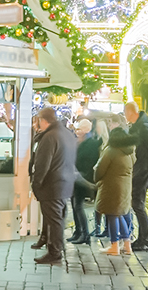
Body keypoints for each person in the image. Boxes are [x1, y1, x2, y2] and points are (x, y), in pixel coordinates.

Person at [29, 107, 77, 265]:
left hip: (52, 185)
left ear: (43, 120)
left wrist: (36, 186)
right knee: (57, 218)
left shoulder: (49, 137)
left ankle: (55, 252)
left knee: (54, 220)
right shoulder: (67, 134)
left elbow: (42, 164)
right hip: (65, 183)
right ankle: (55, 247)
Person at [123, 101, 148, 251]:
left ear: (131, 112)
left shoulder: (144, 127)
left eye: (126, 113)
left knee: (138, 204)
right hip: (142, 167)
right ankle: (143, 239)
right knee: (137, 204)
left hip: (144, 169)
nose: (125, 116)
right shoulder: (139, 126)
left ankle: (146, 240)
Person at [94, 127, 136, 256]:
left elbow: (100, 169)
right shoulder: (129, 152)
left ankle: (114, 245)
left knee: (112, 215)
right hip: (125, 187)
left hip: (111, 187)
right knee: (121, 213)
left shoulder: (111, 151)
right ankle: (127, 244)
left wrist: (96, 178)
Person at [69, 119, 99, 245]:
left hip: (83, 177)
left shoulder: (91, 144)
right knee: (75, 204)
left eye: (80, 129)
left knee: (78, 205)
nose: (77, 131)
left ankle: (84, 233)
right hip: (75, 176)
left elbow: (88, 161)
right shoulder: (79, 142)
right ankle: (78, 231)